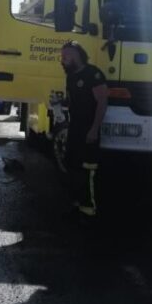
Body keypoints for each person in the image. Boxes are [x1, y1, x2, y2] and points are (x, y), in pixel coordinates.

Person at [60, 40, 108, 219]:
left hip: (88, 130)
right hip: (74, 129)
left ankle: (89, 210)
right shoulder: (70, 76)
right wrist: (60, 104)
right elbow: (73, 102)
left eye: (65, 56)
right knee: (71, 166)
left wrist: (94, 129)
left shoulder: (92, 74)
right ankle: (77, 203)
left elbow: (102, 102)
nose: (62, 59)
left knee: (87, 170)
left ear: (76, 55)